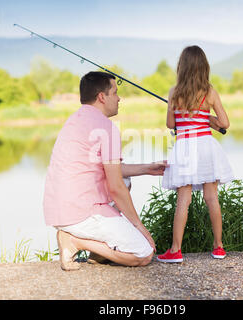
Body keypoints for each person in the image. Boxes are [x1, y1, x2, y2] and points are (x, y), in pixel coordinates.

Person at [43, 71, 166, 271]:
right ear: (102, 97)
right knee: (143, 254)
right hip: (81, 213)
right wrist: (140, 227)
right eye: (115, 92)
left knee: (125, 180)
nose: (119, 98)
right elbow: (115, 187)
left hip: (60, 209)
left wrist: (147, 168)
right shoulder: (106, 128)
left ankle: (96, 252)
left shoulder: (75, 120)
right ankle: (75, 241)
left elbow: (111, 171)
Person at [157, 45, 234, 263]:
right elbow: (225, 123)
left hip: (185, 147)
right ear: (204, 67)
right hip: (206, 147)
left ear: (181, 67)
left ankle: (175, 250)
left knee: (183, 199)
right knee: (212, 198)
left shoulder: (175, 92)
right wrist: (208, 119)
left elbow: (170, 123)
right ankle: (219, 247)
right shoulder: (210, 92)